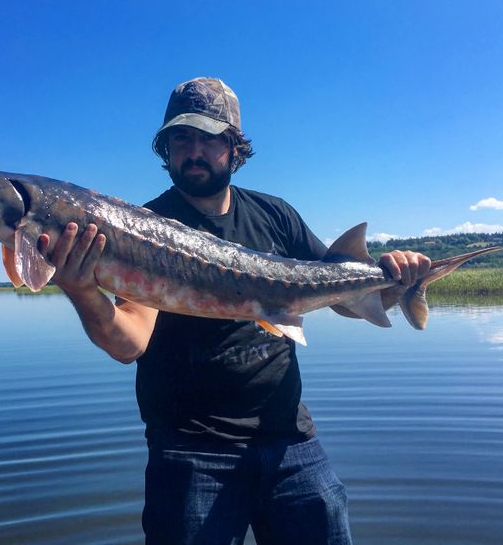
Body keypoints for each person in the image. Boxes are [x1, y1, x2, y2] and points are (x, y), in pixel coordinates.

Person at [38, 77, 431, 544]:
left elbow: (345, 299)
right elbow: (130, 343)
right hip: (190, 453)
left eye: (209, 138)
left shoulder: (276, 215)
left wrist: (399, 280)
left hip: (289, 440)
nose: (194, 151)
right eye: (181, 138)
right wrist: (81, 289)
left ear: (234, 148)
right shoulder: (136, 231)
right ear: (165, 147)